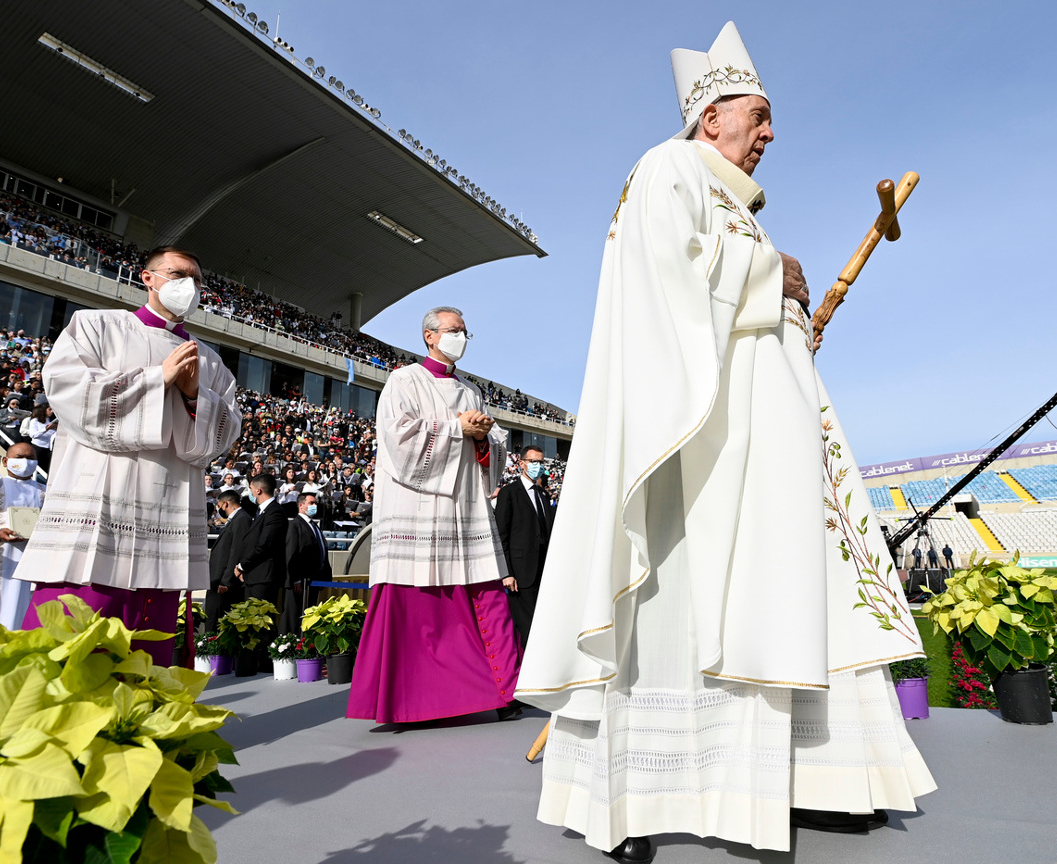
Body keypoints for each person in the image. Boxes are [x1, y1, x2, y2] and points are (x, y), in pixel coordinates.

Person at [514, 23, 934, 862]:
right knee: (682, 603)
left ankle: (817, 781)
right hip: (695, 446)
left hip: (768, 444)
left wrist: (784, 328)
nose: (771, 133)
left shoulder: (732, 204)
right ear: (711, 118)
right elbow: (663, 274)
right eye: (760, 115)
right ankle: (639, 794)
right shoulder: (667, 168)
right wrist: (768, 278)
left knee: (785, 595)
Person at [16, 246, 241, 666]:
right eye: (177, 274)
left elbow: (224, 434)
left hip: (167, 508)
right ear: (148, 277)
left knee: (146, 649)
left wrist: (196, 397)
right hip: (101, 502)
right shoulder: (97, 326)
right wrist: (159, 379)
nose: (188, 287)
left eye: (196, 279)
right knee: (75, 628)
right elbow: (69, 391)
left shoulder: (209, 360)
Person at [347, 306, 522, 725]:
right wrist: (456, 428)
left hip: (463, 509)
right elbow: (397, 438)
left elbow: (490, 454)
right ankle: (414, 702)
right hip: (420, 507)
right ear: (429, 336)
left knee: (485, 593)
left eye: (464, 332)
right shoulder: (404, 380)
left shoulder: (472, 391)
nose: (460, 337)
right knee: (418, 607)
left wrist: (483, 439)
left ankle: (502, 692)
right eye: (453, 330)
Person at [0, 442, 45, 629]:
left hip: (30, 561)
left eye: (30, 458)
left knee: (23, 610)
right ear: (5, 461)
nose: (25, 462)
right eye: (19, 457)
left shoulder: (45, 492)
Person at [494, 446, 554, 649]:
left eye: (541, 462)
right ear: (521, 464)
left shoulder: (544, 496)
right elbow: (502, 535)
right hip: (520, 574)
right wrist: (507, 572)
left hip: (542, 572)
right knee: (527, 627)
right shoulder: (509, 493)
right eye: (533, 462)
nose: (538, 466)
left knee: (542, 624)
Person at [234, 473, 288, 672]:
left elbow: (264, 545)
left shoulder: (274, 512)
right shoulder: (261, 511)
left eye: (250, 488)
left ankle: (265, 662)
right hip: (255, 575)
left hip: (264, 576)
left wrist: (242, 566)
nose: (249, 492)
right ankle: (254, 662)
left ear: (258, 490)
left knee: (262, 621)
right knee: (253, 620)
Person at [283, 491, 332, 633]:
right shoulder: (295, 525)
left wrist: (324, 578)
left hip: (315, 580)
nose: (314, 506)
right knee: (296, 617)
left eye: (315, 503)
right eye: (311, 503)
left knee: (309, 617)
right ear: (301, 505)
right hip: (301, 582)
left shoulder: (314, 525)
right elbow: (291, 553)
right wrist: (296, 579)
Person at [205, 490, 251, 634]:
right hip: (217, 580)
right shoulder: (236, 519)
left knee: (218, 625)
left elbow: (236, 552)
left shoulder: (242, 519)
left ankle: (216, 655)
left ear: (225, 504)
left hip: (224, 583)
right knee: (212, 620)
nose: (219, 509)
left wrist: (226, 581)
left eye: (219, 505)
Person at [20, 404, 57, 472]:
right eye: (49, 409)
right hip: (37, 447)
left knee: (47, 469)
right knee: (35, 468)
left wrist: (56, 429)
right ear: (44, 410)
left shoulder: (50, 420)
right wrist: (46, 429)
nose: (52, 412)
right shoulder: (35, 421)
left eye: (52, 410)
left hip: (48, 448)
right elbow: (33, 435)